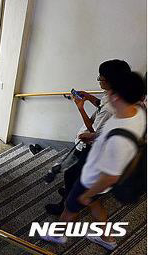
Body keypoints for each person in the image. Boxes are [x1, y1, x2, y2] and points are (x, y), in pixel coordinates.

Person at [41, 71, 146, 250]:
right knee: (94, 203)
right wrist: (95, 136)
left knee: (71, 205)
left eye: (112, 92)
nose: (108, 95)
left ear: (117, 96)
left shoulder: (120, 138)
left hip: (93, 179)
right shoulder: (136, 112)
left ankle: (58, 234)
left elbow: (112, 175)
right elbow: (112, 134)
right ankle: (108, 238)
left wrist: (87, 193)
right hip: (97, 175)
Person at [45, 59, 131, 215]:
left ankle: (65, 206)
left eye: (101, 78)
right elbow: (101, 105)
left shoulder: (111, 108)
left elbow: (94, 131)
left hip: (93, 149)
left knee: (71, 173)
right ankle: (71, 192)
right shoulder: (118, 94)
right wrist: (90, 98)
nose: (98, 80)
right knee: (73, 174)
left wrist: (81, 109)